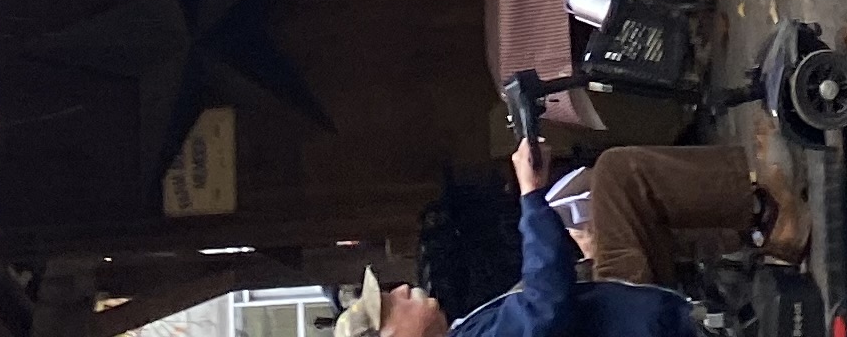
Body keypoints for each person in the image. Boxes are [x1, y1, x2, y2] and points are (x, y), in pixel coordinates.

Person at [341, 130, 805, 337]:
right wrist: (530, 196)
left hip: (621, 316)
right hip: (642, 326)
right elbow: (544, 309)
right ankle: (764, 212)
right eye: (388, 306)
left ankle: (757, 240)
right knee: (619, 176)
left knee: (608, 217)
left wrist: (583, 261)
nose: (399, 288)